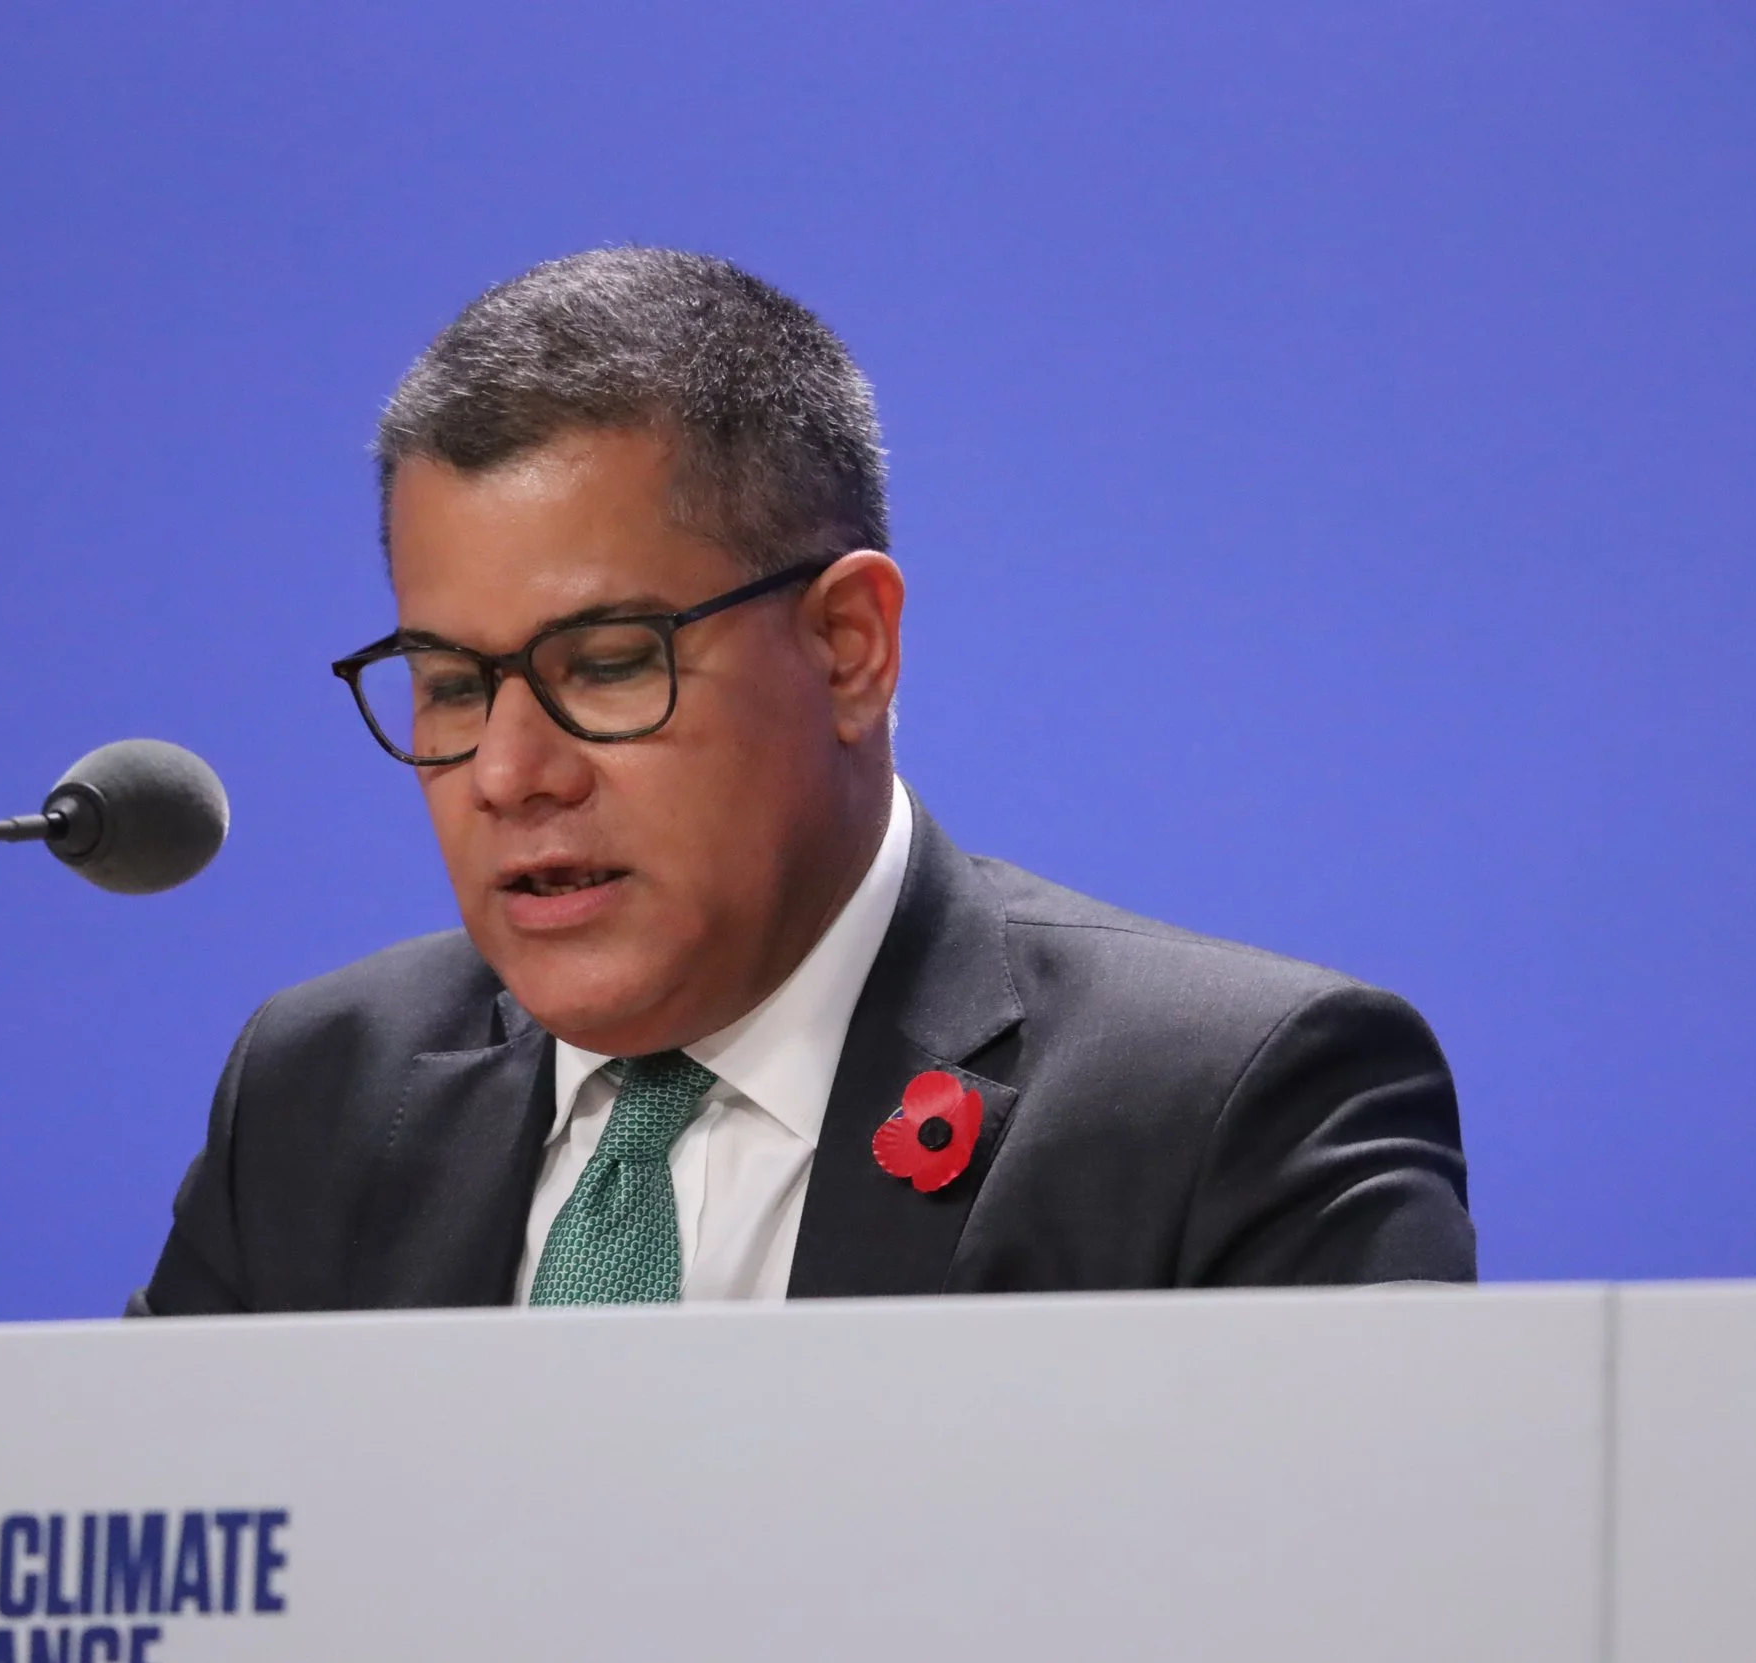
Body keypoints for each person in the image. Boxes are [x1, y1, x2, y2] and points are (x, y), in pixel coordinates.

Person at [131, 248, 1472, 1315]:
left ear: (849, 649)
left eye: (604, 665)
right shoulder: (316, 1100)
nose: (508, 772)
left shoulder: (1225, 1111)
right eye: (453, 683)